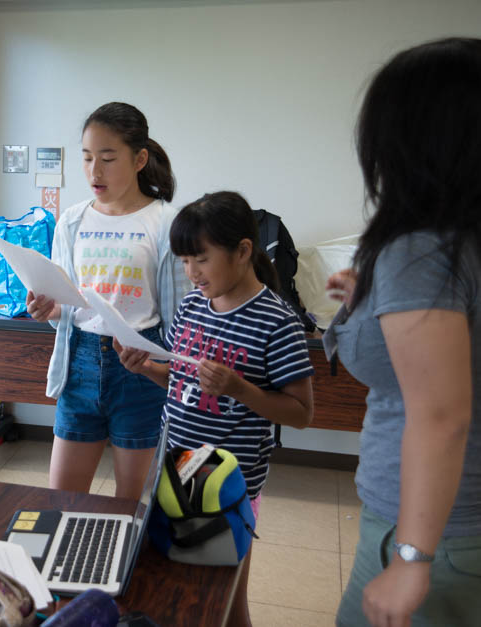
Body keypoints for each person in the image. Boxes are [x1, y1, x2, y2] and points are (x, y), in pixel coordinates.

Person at [325, 38, 481, 627]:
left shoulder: (420, 249)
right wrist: (376, 300)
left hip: (436, 531)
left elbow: (442, 415)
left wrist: (413, 558)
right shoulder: (456, 243)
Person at [117, 191, 315, 626]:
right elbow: (181, 384)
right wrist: (145, 367)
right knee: (174, 587)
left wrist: (240, 389)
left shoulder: (278, 322)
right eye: (184, 261)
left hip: (228, 483)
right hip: (174, 470)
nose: (191, 273)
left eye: (201, 260)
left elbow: (301, 413)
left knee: (222, 600)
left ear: (243, 251)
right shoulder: (191, 307)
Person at [25, 102, 189, 500]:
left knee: (132, 506)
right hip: (79, 363)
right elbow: (68, 304)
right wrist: (49, 308)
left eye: (108, 158)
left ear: (140, 159)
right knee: (61, 501)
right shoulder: (72, 220)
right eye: (86, 158)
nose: (94, 172)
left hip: (140, 365)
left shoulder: (166, 222)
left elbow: (179, 317)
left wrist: (159, 368)